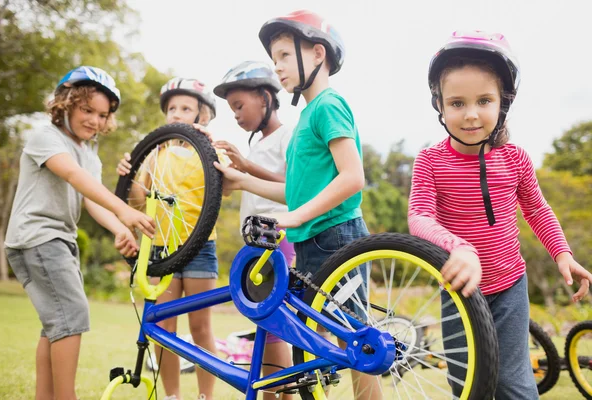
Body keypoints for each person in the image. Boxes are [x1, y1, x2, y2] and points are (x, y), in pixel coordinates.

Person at [408, 30, 592, 399]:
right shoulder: (430, 161)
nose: (471, 114)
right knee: (467, 382)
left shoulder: (515, 158)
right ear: (439, 106)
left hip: (510, 285)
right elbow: (419, 217)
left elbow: (537, 209)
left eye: (484, 100)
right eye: (457, 103)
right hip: (458, 288)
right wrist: (457, 246)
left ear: (502, 103)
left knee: (513, 381)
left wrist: (563, 253)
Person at [213, 10, 381, 400]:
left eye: (285, 55)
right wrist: (243, 182)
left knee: (359, 340)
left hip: (338, 236)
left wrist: (293, 218)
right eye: (275, 58)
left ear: (317, 53)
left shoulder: (328, 105)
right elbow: (297, 193)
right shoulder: (306, 116)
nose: (278, 66)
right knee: (309, 342)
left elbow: (352, 177)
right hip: (311, 242)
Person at [4, 66, 155, 400]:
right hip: (38, 237)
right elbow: (73, 176)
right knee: (72, 314)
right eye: (87, 110)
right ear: (66, 105)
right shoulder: (46, 136)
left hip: (59, 239)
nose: (95, 121)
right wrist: (123, 209)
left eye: (102, 115)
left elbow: (91, 200)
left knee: (56, 324)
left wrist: (120, 229)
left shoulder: (90, 152)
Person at [117, 77, 219, 400]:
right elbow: (136, 200)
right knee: (164, 328)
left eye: (186, 108)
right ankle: (172, 395)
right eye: (171, 108)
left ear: (202, 116)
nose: (176, 114)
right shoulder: (156, 154)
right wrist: (129, 172)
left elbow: (226, 186)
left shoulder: (210, 151)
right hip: (160, 248)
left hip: (200, 247)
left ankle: (205, 395)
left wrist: (212, 146)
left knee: (201, 327)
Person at [212, 60, 293, 400]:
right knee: (265, 327)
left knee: (277, 328)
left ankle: (286, 395)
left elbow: (294, 186)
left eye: (240, 106)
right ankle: (271, 394)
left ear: (265, 98)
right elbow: (249, 187)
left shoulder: (288, 135)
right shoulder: (257, 144)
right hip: (256, 241)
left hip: (280, 238)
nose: (237, 115)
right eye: (232, 110)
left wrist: (245, 168)